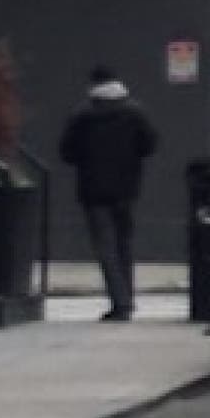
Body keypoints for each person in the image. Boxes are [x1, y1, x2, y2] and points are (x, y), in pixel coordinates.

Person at [56, 67, 156, 320]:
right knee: (124, 244)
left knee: (105, 247)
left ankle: (119, 301)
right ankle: (128, 299)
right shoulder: (135, 112)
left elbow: (67, 151)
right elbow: (150, 144)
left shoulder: (82, 115)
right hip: (127, 188)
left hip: (93, 189)